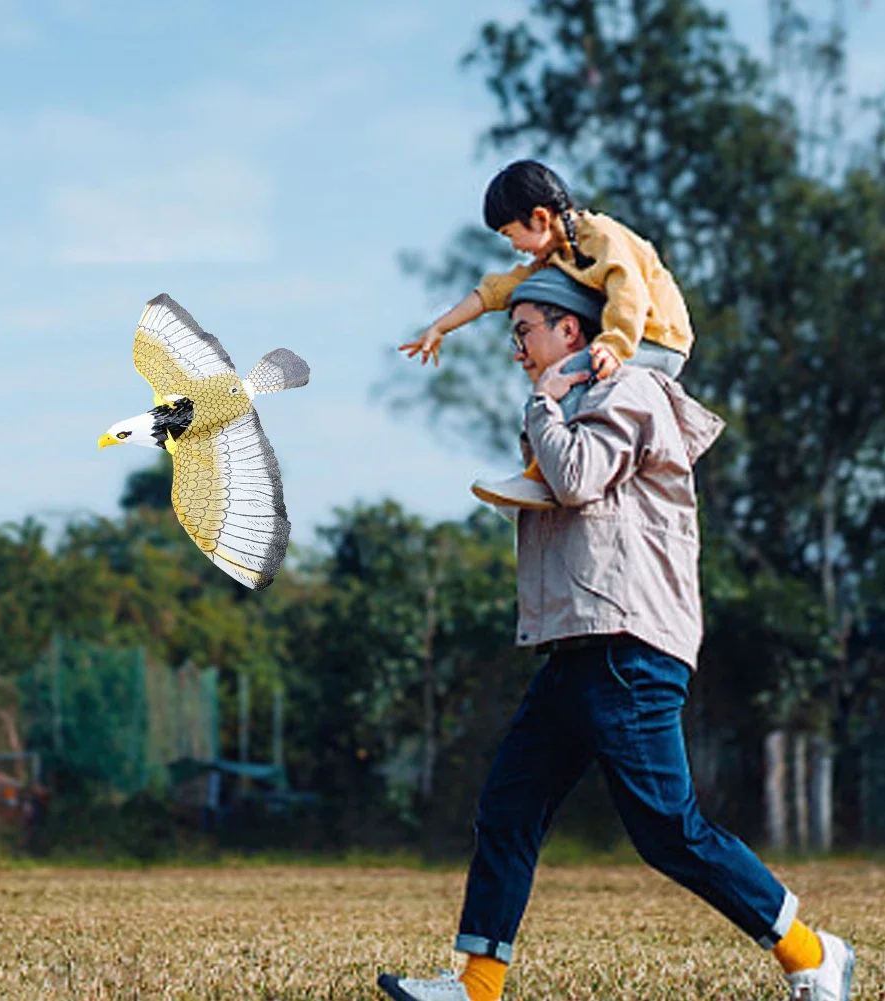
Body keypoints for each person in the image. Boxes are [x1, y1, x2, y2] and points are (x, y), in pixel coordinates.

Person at [378, 269, 856, 1001]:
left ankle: (812, 952)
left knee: (668, 828)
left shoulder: (626, 393)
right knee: (506, 808)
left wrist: (543, 402)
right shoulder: (578, 401)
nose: (518, 352)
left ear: (571, 331)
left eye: (523, 333)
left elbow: (574, 478)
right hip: (575, 646)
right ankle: (474, 985)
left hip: (627, 645)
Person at [399, 160, 691, 510]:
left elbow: (628, 291)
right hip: (629, 337)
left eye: (511, 234)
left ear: (539, 218)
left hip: (658, 338)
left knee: (569, 374)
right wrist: (440, 326)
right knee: (566, 377)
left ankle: (544, 476)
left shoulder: (600, 235)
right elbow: (497, 291)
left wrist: (613, 344)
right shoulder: (557, 255)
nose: (514, 246)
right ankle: (544, 466)